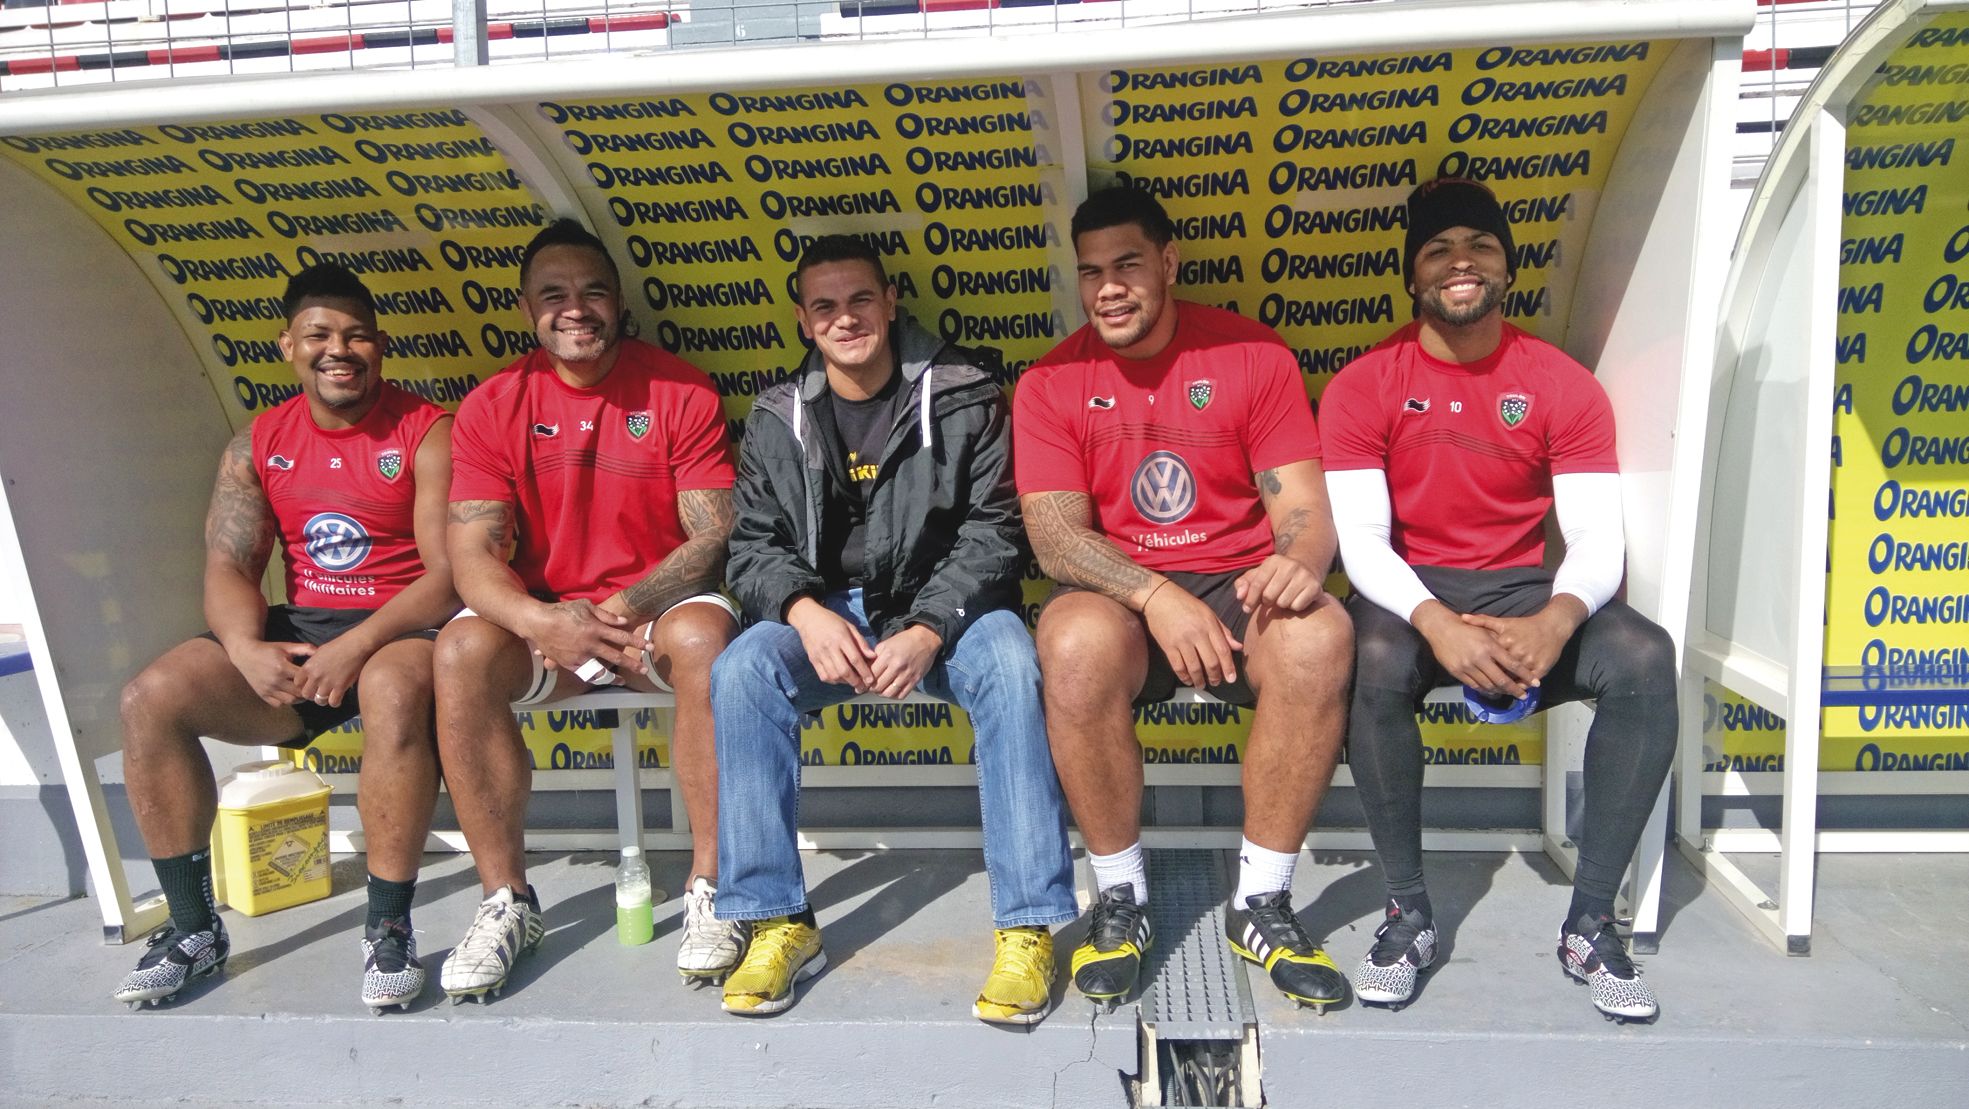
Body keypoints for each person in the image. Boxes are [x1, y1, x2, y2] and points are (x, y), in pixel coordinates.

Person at [1321, 177, 1677, 1022]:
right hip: (1411, 593)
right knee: (1366, 655)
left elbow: (1595, 536)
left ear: (1506, 268)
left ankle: (1591, 921)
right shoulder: (1364, 383)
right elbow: (1362, 541)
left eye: (1479, 246)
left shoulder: (1559, 382)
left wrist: (1556, 620)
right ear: (1412, 275)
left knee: (1642, 655)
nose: (1460, 263)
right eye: (1438, 249)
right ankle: (1408, 913)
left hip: (1522, 589)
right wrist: (1435, 623)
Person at [711, 235, 1076, 1021]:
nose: (846, 318)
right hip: (831, 612)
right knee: (742, 668)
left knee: (1013, 665)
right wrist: (803, 611)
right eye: (825, 306)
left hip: (949, 612)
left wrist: (928, 627)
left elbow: (996, 531)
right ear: (805, 322)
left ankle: (1027, 926)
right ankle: (776, 919)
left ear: (890, 300)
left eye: (860, 299)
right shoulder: (778, 413)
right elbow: (750, 546)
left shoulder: (965, 389)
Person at [1014, 187, 1355, 1010]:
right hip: (1125, 596)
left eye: (1128, 264)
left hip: (1238, 584)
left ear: (1167, 263)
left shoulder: (1249, 354)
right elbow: (1056, 542)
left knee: (1321, 634)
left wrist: (1300, 563)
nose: (1109, 288)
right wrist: (1158, 594)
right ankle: (1120, 898)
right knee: (1069, 641)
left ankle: (1261, 902)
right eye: (1091, 271)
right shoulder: (1052, 380)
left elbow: (1303, 511)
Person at [114, 263, 455, 1013]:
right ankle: (194, 927)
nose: (340, 349)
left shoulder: (426, 430)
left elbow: (448, 575)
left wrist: (357, 644)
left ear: (380, 345)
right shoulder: (257, 441)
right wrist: (244, 649)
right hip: (301, 632)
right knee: (150, 697)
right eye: (320, 335)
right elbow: (229, 564)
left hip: (400, 626)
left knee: (395, 690)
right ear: (288, 346)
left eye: (357, 334)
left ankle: (387, 925)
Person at [436, 219, 739, 1001]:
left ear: (619, 301)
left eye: (593, 291)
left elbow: (712, 535)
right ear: (526, 309)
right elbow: (470, 557)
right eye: (555, 295)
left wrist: (614, 610)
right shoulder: (492, 403)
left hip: (650, 612)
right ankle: (507, 900)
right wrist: (542, 622)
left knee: (708, 638)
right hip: (546, 623)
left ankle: (715, 887)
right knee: (458, 653)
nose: (576, 309)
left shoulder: (680, 386)